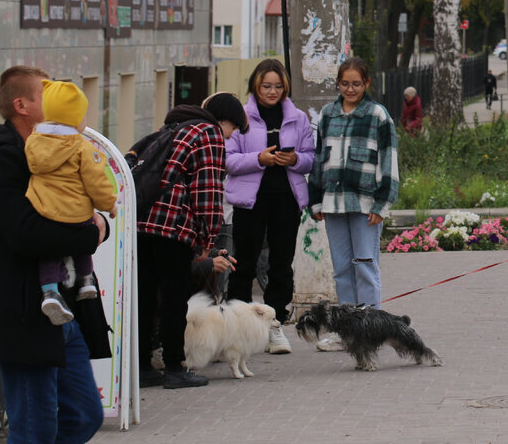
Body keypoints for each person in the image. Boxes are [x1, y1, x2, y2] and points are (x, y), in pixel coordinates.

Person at [0, 66, 107, 444]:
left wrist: (93, 225)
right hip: (25, 316)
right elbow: (25, 235)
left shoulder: (67, 148)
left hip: (65, 312)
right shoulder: (5, 156)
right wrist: (90, 231)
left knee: (84, 415)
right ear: (21, 105)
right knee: (34, 430)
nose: (59, 98)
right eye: (46, 93)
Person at [138, 91, 247, 390]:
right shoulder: (209, 133)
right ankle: (175, 367)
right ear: (226, 119)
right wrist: (207, 239)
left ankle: (142, 366)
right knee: (175, 298)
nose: (231, 135)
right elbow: (208, 192)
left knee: (144, 296)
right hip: (173, 227)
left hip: (141, 221)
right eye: (234, 128)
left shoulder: (172, 128)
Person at [224, 59, 315, 355]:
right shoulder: (241, 116)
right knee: (244, 262)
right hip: (251, 201)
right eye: (266, 86)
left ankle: (274, 326)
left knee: (281, 263)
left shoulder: (298, 117)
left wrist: (295, 160)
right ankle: (236, 328)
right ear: (255, 86)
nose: (272, 92)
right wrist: (258, 159)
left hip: (286, 199)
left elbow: (311, 157)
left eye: (278, 86)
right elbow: (227, 159)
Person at [309, 58, 400, 351]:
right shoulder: (327, 114)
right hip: (333, 203)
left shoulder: (378, 115)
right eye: (345, 83)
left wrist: (381, 203)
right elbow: (318, 159)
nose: (350, 89)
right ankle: (344, 330)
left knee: (365, 265)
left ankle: (370, 330)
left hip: (365, 205)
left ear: (367, 84)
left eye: (356, 84)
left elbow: (389, 161)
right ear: (338, 83)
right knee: (341, 269)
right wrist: (315, 200)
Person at [24, 80, 118, 325]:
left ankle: (50, 292)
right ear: (74, 116)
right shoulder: (82, 147)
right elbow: (96, 182)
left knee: (50, 254)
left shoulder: (33, 141)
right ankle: (86, 280)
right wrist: (109, 204)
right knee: (84, 239)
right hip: (77, 214)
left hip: (44, 211)